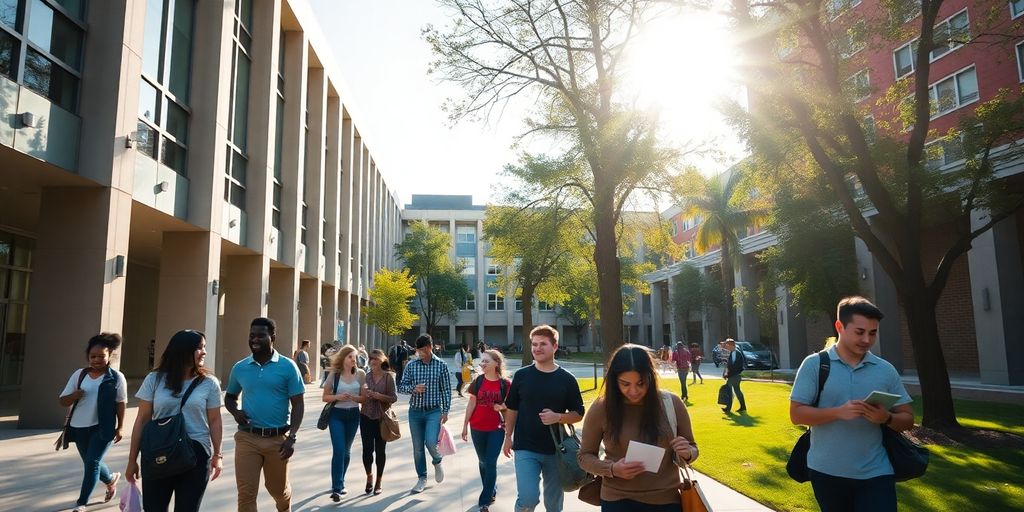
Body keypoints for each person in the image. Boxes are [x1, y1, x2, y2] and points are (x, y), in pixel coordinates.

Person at [790, 296, 914, 512]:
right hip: (826, 472)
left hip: (877, 472)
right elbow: (796, 415)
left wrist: (886, 418)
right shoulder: (815, 365)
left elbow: (908, 419)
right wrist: (838, 412)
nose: (867, 339)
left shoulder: (885, 370)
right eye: (860, 332)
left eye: (872, 333)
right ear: (840, 327)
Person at [578, 344, 699, 511]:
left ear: (651, 377)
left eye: (641, 383)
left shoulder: (671, 403)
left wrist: (687, 452)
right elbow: (584, 457)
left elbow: (693, 448)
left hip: (666, 499)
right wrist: (612, 469)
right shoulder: (601, 408)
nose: (633, 391)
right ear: (614, 381)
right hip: (618, 500)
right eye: (625, 384)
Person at [125, 329, 224, 511]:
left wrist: (218, 455)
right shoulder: (154, 379)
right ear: (183, 350)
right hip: (158, 452)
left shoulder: (209, 383)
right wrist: (132, 460)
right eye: (199, 348)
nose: (204, 352)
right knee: (153, 508)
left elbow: (215, 420)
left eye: (204, 347)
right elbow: (142, 420)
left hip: (196, 454)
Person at [225, 317, 305, 512]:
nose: (255, 339)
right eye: (252, 335)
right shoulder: (240, 367)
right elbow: (230, 397)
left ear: (273, 338)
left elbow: (298, 404)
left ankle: (284, 506)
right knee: (246, 493)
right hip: (247, 438)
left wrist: (292, 437)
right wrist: (235, 412)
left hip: (277, 440)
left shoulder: (288, 366)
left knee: (277, 490)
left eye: (261, 335)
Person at [502, 325, 585, 512]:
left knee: (554, 505)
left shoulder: (567, 379)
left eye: (543, 344)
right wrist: (508, 437)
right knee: (528, 499)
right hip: (525, 448)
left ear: (555, 347)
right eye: (534, 344)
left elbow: (578, 413)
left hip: (557, 451)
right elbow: (512, 408)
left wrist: (558, 417)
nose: (537, 348)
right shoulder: (521, 376)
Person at [59, 333, 128, 512]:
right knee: (92, 463)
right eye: (93, 356)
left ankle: (82, 503)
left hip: (103, 428)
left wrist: (120, 427)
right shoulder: (79, 375)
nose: (97, 360)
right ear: (88, 356)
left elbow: (121, 403)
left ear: (110, 355)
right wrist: (74, 395)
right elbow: (63, 401)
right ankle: (111, 479)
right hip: (79, 428)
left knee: (92, 463)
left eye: (101, 356)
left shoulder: (116, 378)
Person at [397, 333, 452, 493]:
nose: (419, 353)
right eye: (417, 350)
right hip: (415, 412)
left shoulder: (441, 365)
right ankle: (422, 478)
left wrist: (445, 411)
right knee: (418, 448)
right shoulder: (412, 365)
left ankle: (437, 460)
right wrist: (413, 389)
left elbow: (446, 390)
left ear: (429, 347)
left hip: (433, 411)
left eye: (421, 350)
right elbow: (401, 387)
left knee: (431, 442)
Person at [461, 350, 512, 512]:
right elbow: (471, 404)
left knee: (490, 462)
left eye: (486, 361)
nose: (482, 364)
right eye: (482, 361)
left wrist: (502, 407)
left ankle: (485, 500)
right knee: (483, 462)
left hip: (496, 428)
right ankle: (491, 489)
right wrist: (465, 425)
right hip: (477, 427)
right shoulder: (478, 381)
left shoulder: (505, 384)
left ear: (496, 363)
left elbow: (512, 406)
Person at [321, 344, 365, 501]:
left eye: (355, 357)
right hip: (336, 415)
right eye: (350, 356)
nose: (354, 359)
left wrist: (354, 398)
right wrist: (338, 397)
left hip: (353, 415)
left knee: (346, 451)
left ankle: (340, 480)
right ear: (343, 358)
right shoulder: (334, 374)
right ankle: (337, 488)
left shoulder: (360, 374)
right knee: (339, 450)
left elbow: (364, 398)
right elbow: (325, 397)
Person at [360, 349, 398, 495]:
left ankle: (379, 481)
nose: (373, 361)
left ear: (382, 360)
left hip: (382, 419)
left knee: (380, 451)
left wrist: (379, 396)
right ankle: (369, 476)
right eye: (371, 359)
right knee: (367, 450)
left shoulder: (388, 377)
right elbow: (362, 395)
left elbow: (393, 398)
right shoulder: (367, 376)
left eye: (376, 359)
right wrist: (364, 394)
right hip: (366, 416)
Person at [721, 338, 747, 413]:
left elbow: (733, 365)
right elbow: (730, 364)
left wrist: (727, 374)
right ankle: (743, 407)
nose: (726, 347)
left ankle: (728, 408)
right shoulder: (733, 352)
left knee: (729, 391)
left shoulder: (735, 353)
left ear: (730, 345)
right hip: (735, 375)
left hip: (734, 376)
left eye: (727, 345)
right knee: (737, 391)